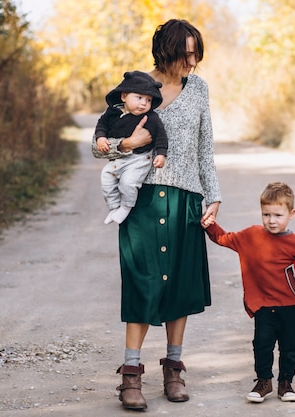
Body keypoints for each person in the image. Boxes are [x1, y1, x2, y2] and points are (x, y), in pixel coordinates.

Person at [92, 19, 221, 410]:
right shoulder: (136, 88)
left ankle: (174, 369)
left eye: (196, 53)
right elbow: (100, 146)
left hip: (184, 200)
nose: (192, 61)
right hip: (142, 200)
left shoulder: (199, 89)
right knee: (142, 282)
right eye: (186, 53)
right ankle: (130, 375)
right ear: (166, 50)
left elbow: (205, 149)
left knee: (180, 285)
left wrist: (213, 196)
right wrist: (126, 144)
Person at [201, 182, 295, 404]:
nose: (271, 220)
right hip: (264, 305)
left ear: (291, 214)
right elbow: (224, 238)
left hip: (294, 306)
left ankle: (286, 383)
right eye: (266, 214)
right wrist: (210, 226)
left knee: (289, 347)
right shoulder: (251, 235)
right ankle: (263, 381)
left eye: (278, 215)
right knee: (262, 343)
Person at [94, 71, 168, 224]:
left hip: (139, 159)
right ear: (123, 96)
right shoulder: (112, 112)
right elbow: (101, 125)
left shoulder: (151, 117)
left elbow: (161, 135)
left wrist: (161, 154)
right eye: (139, 98)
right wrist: (101, 138)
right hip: (119, 158)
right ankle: (114, 207)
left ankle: (126, 207)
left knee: (128, 183)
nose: (143, 103)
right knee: (106, 177)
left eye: (148, 100)